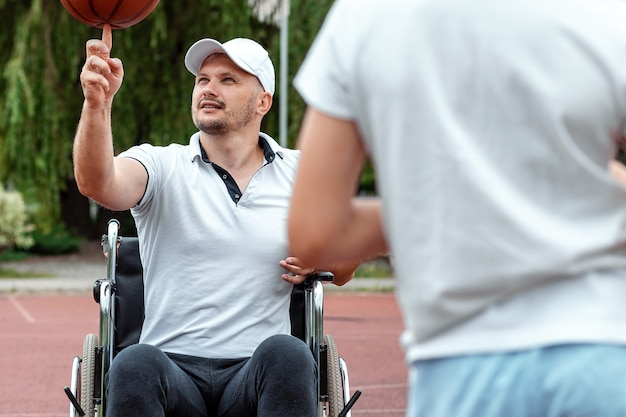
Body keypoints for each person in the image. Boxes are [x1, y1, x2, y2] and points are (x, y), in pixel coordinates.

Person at [288, 0, 626, 416]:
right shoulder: (602, 12)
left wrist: (447, 207)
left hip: (462, 368)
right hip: (603, 352)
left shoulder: (366, 15)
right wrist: (581, 199)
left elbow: (316, 231)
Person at [73, 25, 358, 417]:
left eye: (228, 80)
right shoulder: (162, 164)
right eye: (203, 79)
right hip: (172, 374)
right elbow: (97, 182)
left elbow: (345, 266)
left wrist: (322, 257)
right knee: (134, 363)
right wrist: (96, 104)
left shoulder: (302, 173)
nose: (208, 88)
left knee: (289, 353)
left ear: (263, 102)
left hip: (255, 377)